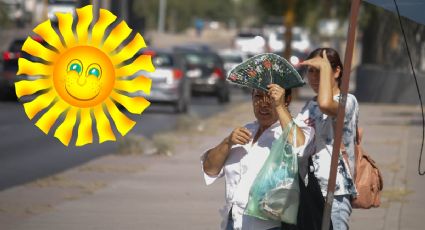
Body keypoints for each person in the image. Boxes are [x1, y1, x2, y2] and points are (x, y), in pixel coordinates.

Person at [201, 85, 310, 230]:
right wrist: (227, 142)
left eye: (271, 97)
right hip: (233, 222)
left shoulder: (297, 130)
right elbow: (210, 169)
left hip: (270, 225)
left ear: (287, 99)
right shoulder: (245, 131)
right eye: (258, 96)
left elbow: (300, 146)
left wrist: (279, 106)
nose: (263, 103)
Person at [297, 47, 359, 230]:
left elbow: (326, 104)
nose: (314, 77)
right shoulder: (310, 105)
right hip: (309, 190)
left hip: (335, 191)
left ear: (337, 71)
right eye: (311, 71)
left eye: (321, 71)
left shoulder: (347, 101)